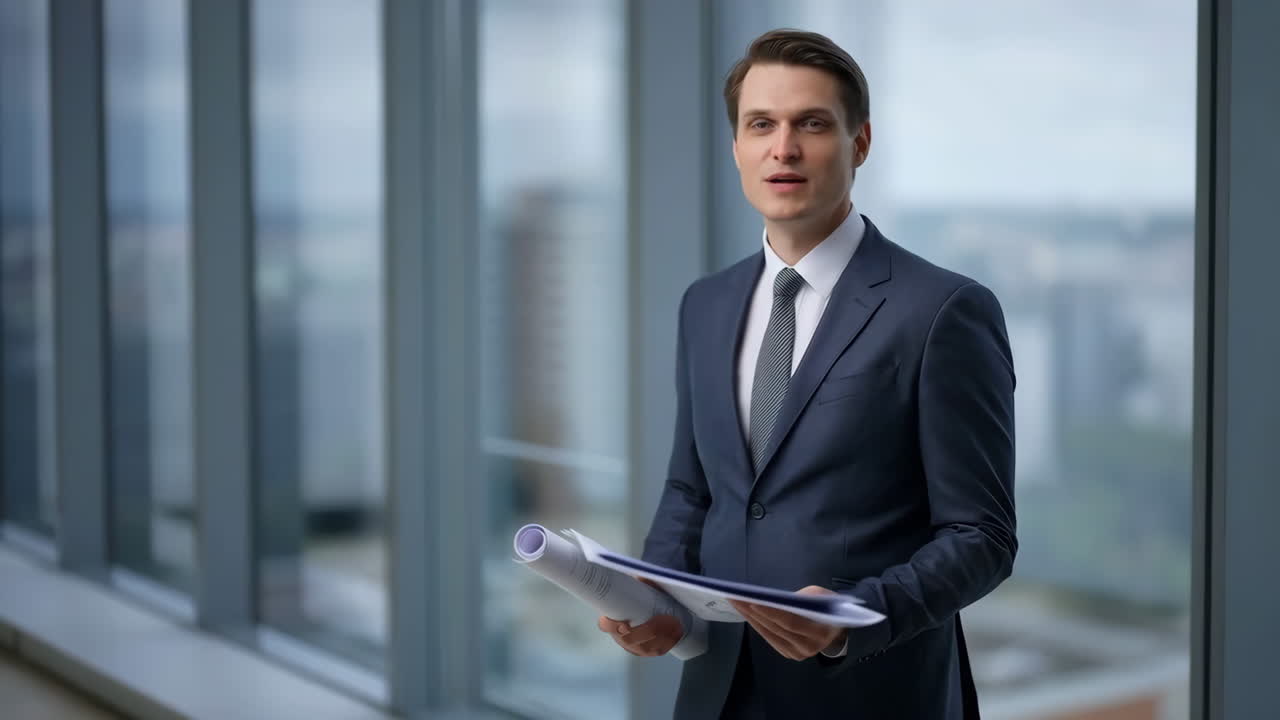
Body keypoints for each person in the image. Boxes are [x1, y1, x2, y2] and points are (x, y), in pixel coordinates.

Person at [596, 28, 1017, 719]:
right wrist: (656, 598)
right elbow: (692, 489)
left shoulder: (942, 310)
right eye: (760, 124)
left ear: (860, 143)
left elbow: (983, 537)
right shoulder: (705, 304)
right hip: (716, 691)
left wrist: (855, 615)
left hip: (874, 695)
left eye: (812, 124)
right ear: (736, 147)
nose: (783, 148)